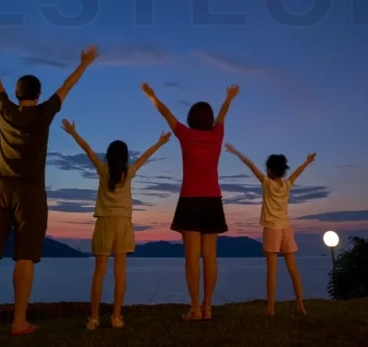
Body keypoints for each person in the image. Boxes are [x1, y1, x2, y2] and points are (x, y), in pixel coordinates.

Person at [0, 40, 99, 337]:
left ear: (18, 95)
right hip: (31, 193)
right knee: (25, 257)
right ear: (37, 96)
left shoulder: (5, 111)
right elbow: (66, 87)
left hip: (0, 189)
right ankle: (18, 322)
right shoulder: (43, 113)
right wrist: (85, 63)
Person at [60, 118, 171, 330]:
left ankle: (93, 319)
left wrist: (73, 132)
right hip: (123, 224)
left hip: (104, 223)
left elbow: (88, 150)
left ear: (109, 156)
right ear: (125, 157)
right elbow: (146, 157)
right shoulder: (128, 173)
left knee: (99, 273)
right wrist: (160, 142)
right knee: (120, 273)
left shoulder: (103, 170)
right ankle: (117, 317)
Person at [141, 82, 239, 321]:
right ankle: (208, 307)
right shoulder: (217, 135)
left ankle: (195, 308)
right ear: (209, 119)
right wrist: (228, 98)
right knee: (210, 256)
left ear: (192, 118)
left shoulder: (185, 135)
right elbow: (223, 114)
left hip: (190, 200)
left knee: (192, 257)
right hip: (213, 200)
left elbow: (167, 114)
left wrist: (152, 96)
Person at [225, 145, 316, 316]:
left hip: (272, 229)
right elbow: (297, 172)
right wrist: (307, 161)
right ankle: (300, 305)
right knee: (293, 269)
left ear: (270, 170)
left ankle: (271, 308)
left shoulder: (267, 183)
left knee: (272, 272)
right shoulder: (287, 185)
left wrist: (237, 153)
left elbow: (251, 165)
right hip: (286, 228)